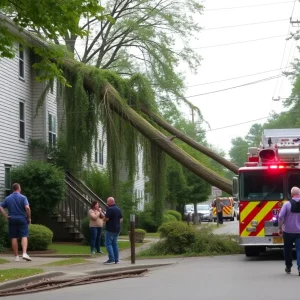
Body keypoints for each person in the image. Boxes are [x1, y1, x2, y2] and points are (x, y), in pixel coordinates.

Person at [0, 183, 31, 262]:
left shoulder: (8, 198)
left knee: (14, 237)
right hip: (22, 218)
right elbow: (27, 208)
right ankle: (24, 253)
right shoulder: (23, 197)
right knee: (24, 235)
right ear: (19, 188)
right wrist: (29, 217)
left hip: (12, 218)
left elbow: (1, 207)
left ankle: (16, 257)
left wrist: (6, 216)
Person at [278, 186, 300, 276]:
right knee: (299, 250)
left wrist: (280, 228)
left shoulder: (287, 204)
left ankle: (288, 267)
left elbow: (281, 217)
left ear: (291, 194)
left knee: (287, 250)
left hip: (288, 231)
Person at [103, 197, 123, 264]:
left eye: (107, 202)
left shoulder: (110, 209)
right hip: (117, 229)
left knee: (108, 244)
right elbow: (121, 219)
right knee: (115, 243)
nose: (107, 203)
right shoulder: (118, 209)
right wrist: (117, 223)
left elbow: (106, 218)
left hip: (110, 229)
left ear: (111, 202)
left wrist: (103, 219)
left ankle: (111, 259)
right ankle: (116, 259)